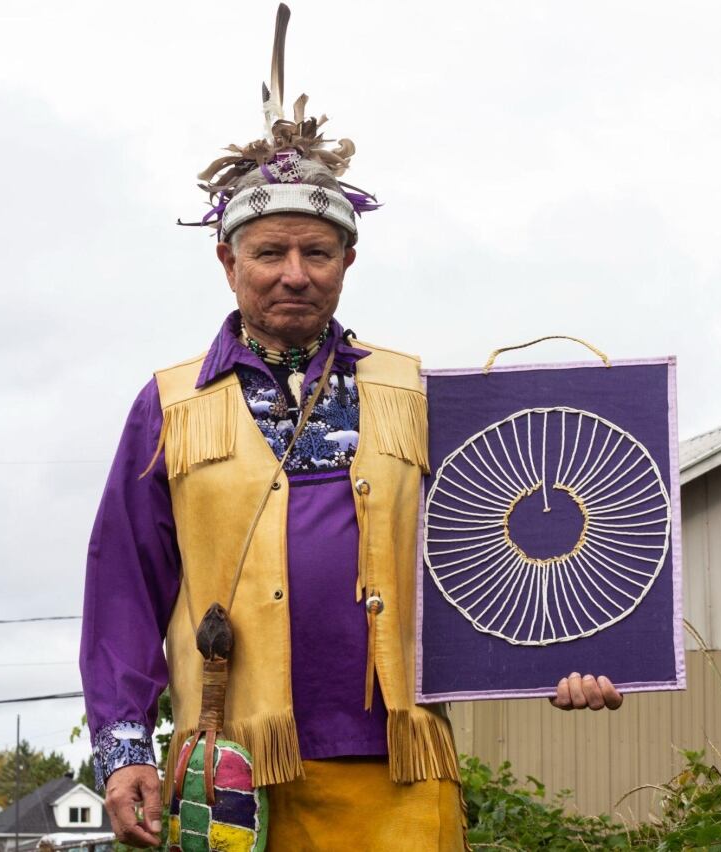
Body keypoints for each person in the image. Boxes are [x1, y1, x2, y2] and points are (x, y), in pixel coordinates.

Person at [79, 6, 622, 850]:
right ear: (228, 261)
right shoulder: (170, 405)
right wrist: (121, 750)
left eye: (317, 254)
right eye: (269, 252)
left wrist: (564, 655)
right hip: (224, 779)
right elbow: (124, 592)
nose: (294, 274)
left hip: (398, 774)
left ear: (347, 262)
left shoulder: (416, 391)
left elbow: (493, 550)